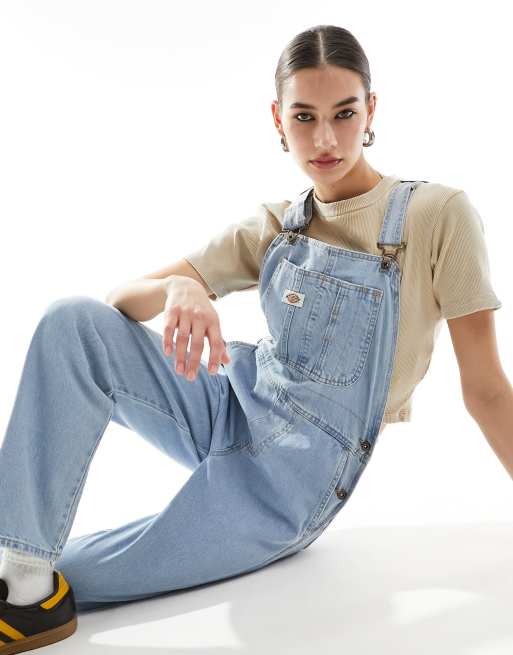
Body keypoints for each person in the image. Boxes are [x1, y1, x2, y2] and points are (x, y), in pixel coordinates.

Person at [0, 24, 505, 653]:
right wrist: (181, 289)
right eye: (304, 116)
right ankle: (23, 587)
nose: (324, 138)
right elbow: (113, 307)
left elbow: (486, 390)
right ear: (278, 120)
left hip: (288, 486)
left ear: (371, 110)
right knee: (68, 320)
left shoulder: (437, 214)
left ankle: (26, 585)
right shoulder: (277, 226)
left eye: (344, 114)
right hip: (226, 407)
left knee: (70, 576)